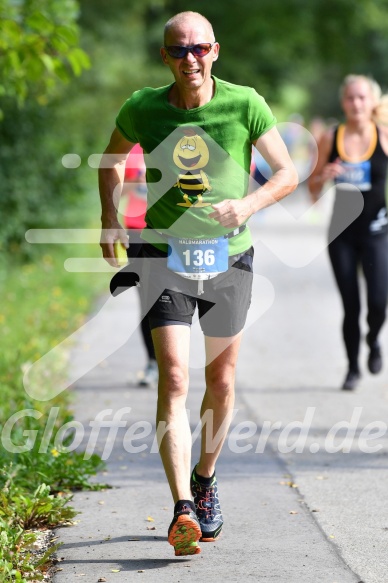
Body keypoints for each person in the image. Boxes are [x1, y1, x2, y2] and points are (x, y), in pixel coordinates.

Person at [99, 11, 297, 556]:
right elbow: (112, 161)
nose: (190, 59)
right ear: (164, 56)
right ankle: (183, 505)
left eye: (199, 49)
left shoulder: (246, 104)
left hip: (229, 259)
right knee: (175, 379)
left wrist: (246, 205)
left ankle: (206, 480)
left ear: (215, 51)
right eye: (178, 50)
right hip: (163, 256)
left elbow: (287, 173)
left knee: (222, 381)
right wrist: (109, 217)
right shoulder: (143, 107)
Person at [308, 75, 388, 391]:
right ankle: (353, 368)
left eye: (362, 98)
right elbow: (311, 191)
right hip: (341, 234)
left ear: (371, 102)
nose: (356, 104)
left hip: (377, 231)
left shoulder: (384, 135)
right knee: (350, 305)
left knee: (379, 302)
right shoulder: (331, 137)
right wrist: (323, 176)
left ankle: (373, 338)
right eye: (351, 98)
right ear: (343, 103)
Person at [122, 144, 158, 387]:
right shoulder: (129, 152)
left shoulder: (178, 144)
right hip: (137, 233)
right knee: (148, 300)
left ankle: (173, 361)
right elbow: (118, 192)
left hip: (172, 232)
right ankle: (154, 363)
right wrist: (136, 180)